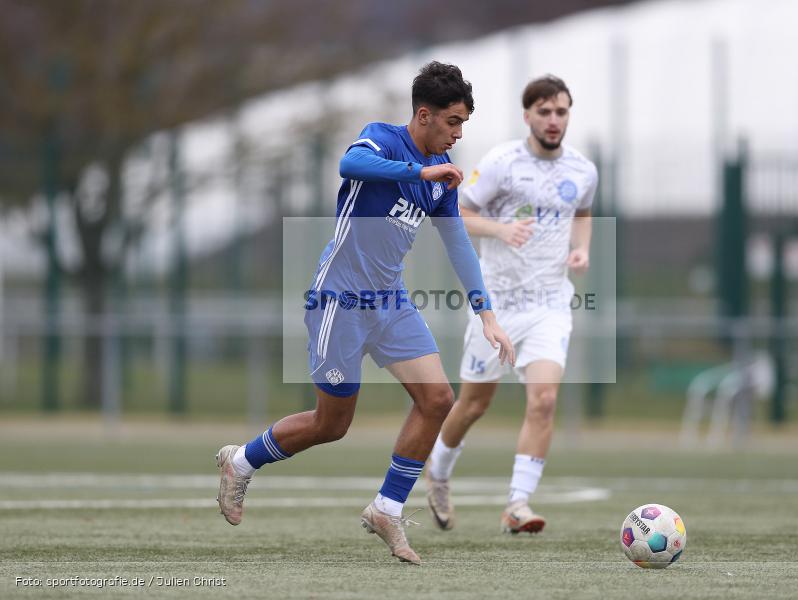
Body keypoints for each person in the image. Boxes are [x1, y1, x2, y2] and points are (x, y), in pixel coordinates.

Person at [215, 61, 515, 565]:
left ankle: (386, 508)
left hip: (390, 301)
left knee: (438, 398)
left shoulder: (441, 180)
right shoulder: (382, 140)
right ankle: (241, 461)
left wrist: (486, 314)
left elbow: (459, 243)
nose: (458, 133)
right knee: (332, 424)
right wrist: (419, 170)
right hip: (340, 298)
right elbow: (350, 166)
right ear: (424, 115)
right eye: (453, 122)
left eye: (463, 123)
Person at [425, 75, 597, 534]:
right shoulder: (502, 162)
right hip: (497, 306)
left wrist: (581, 249)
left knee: (543, 400)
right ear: (528, 116)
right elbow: (459, 212)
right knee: (474, 405)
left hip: (549, 304)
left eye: (561, 111)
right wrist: (501, 230)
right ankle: (438, 472)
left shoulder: (583, 170)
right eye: (544, 111)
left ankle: (517, 504)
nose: (554, 120)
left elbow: (582, 214)